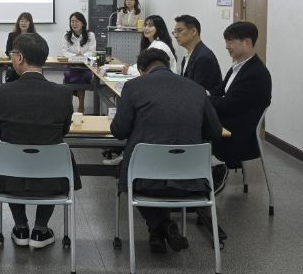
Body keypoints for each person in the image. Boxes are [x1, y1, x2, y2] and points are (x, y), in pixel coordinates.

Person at [110, 48, 222, 254]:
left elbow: (119, 131)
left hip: (143, 178)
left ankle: (160, 226)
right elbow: (215, 132)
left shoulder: (133, 87)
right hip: (191, 178)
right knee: (157, 172)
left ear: (141, 70)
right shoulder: (197, 89)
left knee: (131, 172)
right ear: (169, 65)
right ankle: (160, 230)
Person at [0, 33, 79, 249]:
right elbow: (64, 131)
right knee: (54, 153)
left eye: (12, 54)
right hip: (53, 178)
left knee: (7, 154)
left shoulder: (2, 93)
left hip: (10, 176)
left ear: (20, 58)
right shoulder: (63, 94)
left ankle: (21, 227)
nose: (12, 58)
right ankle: (40, 229)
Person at [210, 21, 272, 191]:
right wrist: (207, 96)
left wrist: (206, 99)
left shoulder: (256, 74)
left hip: (239, 134)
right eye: (226, 42)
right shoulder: (238, 66)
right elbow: (219, 91)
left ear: (247, 42)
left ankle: (204, 175)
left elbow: (227, 105)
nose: (226, 47)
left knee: (191, 128)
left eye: (230, 42)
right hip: (230, 120)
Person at [173, 15, 222, 94]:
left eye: (180, 31)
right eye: (174, 32)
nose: (175, 36)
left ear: (193, 31)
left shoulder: (203, 57)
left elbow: (198, 92)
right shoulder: (188, 55)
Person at [61, 12, 96, 113]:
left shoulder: (90, 35)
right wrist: (75, 56)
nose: (74, 24)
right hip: (71, 65)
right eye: (72, 21)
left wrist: (82, 56)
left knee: (83, 76)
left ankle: (81, 106)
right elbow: (64, 52)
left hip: (86, 66)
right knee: (69, 75)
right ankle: (70, 108)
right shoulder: (66, 36)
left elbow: (92, 51)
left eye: (77, 21)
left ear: (83, 23)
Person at [4, 11, 36, 82]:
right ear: (18, 22)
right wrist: (17, 58)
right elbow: (7, 52)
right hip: (15, 66)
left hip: (29, 65)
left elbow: (36, 52)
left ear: (30, 23)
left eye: (26, 21)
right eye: (21, 21)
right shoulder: (12, 35)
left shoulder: (34, 36)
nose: (23, 23)